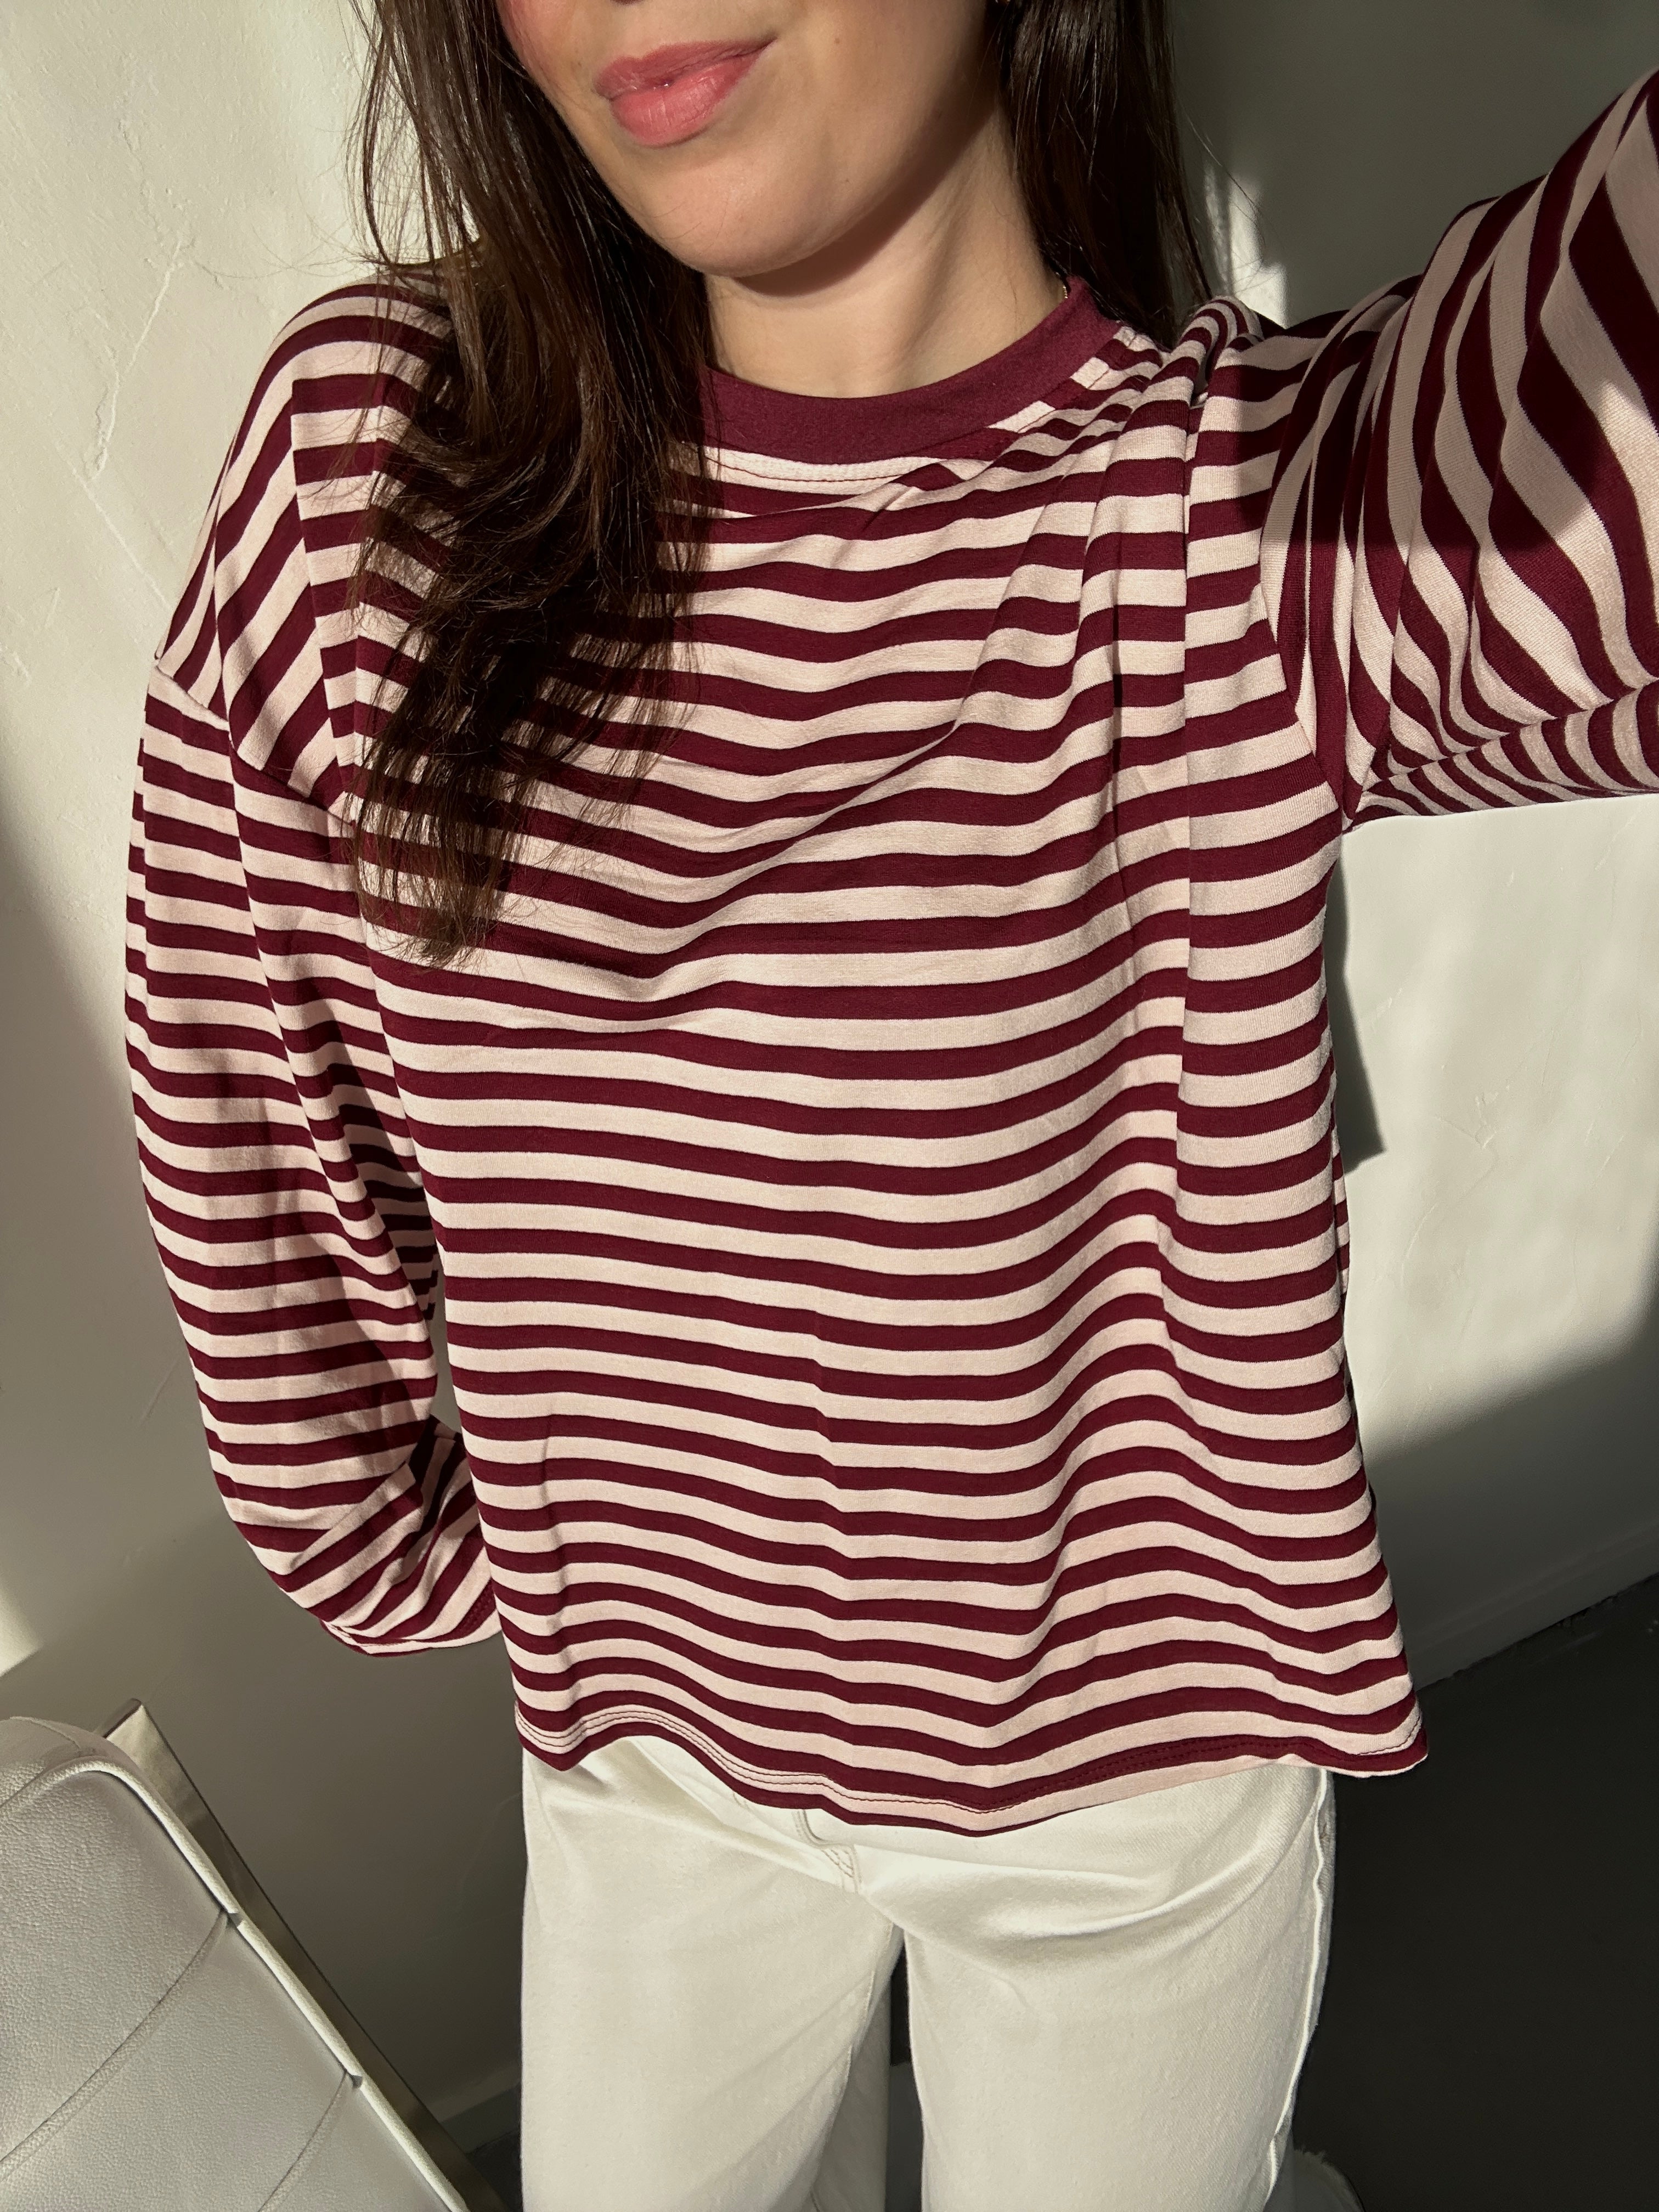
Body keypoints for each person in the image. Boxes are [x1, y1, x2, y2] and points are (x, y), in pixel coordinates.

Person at [123, 1, 1659, 2206]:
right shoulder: (379, 478)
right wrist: (419, 1539)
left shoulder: (1236, 526)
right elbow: (251, 1094)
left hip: (1123, 1809)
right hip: (651, 1767)